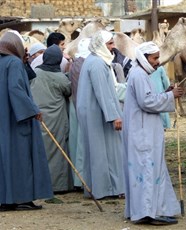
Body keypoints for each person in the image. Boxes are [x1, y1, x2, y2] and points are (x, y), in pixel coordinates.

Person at [122, 41, 183, 225]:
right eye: (154, 58)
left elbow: (148, 97)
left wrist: (165, 93)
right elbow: (147, 102)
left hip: (145, 131)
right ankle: (149, 213)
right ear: (144, 58)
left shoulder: (141, 74)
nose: (157, 62)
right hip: (143, 134)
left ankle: (151, 209)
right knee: (147, 171)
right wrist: (170, 96)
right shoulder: (139, 75)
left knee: (149, 169)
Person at [0, 31, 53, 211]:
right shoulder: (13, 63)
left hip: (5, 118)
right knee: (21, 158)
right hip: (18, 120)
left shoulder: (6, 62)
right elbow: (16, 89)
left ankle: (6, 199)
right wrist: (32, 110)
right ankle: (22, 198)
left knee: (6, 160)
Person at [76, 30, 124, 199]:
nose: (113, 47)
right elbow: (103, 93)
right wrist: (114, 116)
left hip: (95, 112)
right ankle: (107, 189)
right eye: (109, 43)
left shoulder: (95, 61)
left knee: (99, 151)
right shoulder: (96, 63)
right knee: (104, 152)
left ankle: (99, 189)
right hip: (98, 114)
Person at [30, 44, 73, 193]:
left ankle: (40, 184)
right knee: (57, 150)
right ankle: (57, 186)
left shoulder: (35, 72)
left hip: (38, 117)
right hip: (55, 118)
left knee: (41, 150)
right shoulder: (59, 77)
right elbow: (68, 90)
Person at [68, 38, 91, 189]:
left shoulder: (75, 63)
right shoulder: (85, 64)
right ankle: (83, 181)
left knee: (77, 146)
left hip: (74, 106)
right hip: (84, 108)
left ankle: (78, 180)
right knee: (83, 147)